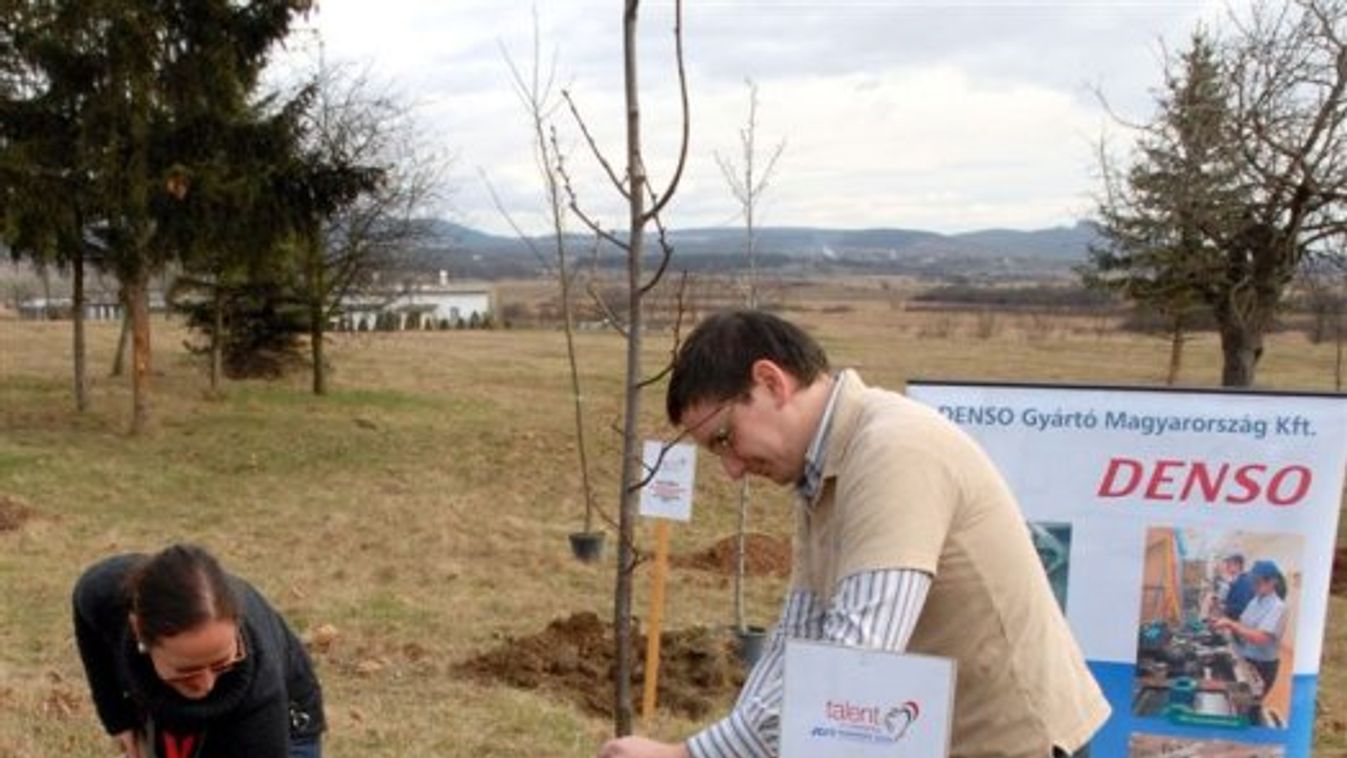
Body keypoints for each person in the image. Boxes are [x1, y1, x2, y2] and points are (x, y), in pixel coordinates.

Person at [600, 310, 1109, 758]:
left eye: (726, 439)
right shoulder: (819, 475)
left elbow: (853, 669)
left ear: (771, 382)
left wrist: (691, 756)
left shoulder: (894, 451)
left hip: (1016, 745)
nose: (731, 469)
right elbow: (798, 644)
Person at [72, 543, 325, 758]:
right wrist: (117, 717)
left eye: (221, 664)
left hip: (280, 724)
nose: (206, 685)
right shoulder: (107, 592)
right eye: (187, 670)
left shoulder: (261, 698)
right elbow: (87, 617)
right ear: (139, 631)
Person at [1212, 559, 1288, 699]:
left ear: (1273, 582)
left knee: (1252, 702)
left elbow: (1260, 638)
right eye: (1253, 581)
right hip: (1247, 658)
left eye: (1258, 582)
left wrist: (1230, 624)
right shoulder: (1255, 600)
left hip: (1262, 666)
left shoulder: (1278, 607)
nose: (1254, 585)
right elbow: (1242, 622)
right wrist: (1224, 624)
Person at [1220, 553, 1256, 620]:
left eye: (1229, 564)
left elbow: (1243, 607)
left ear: (1237, 565)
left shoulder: (1245, 581)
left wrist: (1224, 607)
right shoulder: (1235, 581)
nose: (1226, 567)